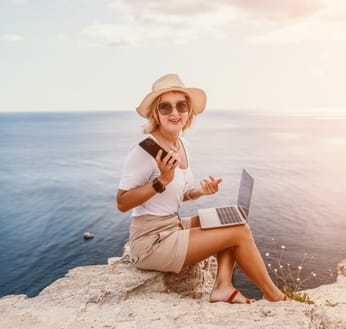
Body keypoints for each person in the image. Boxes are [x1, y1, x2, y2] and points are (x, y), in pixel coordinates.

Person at [117, 74, 287, 303]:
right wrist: (161, 181)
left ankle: (223, 287)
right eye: (165, 107)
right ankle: (275, 297)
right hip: (150, 241)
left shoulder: (182, 144)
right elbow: (122, 202)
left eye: (181, 106)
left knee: (233, 220)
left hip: (172, 224)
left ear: (189, 113)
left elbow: (174, 196)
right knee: (239, 233)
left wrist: (199, 192)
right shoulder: (144, 151)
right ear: (155, 114)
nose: (174, 113)